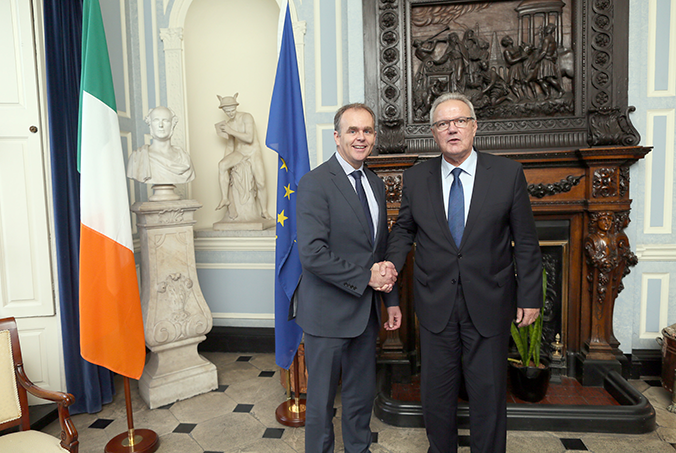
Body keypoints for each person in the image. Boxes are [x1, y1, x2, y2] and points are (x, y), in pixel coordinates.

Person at [385, 93, 542, 453]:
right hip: (435, 302)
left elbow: (527, 241)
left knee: (488, 394)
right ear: (433, 133)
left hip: (490, 301)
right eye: (443, 123)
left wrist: (530, 297)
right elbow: (404, 231)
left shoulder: (507, 173)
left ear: (474, 126)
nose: (452, 129)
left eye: (459, 121)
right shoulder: (416, 177)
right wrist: (391, 266)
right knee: (436, 396)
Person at [296, 103, 402, 453]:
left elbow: (379, 251)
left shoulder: (373, 182)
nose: (361, 137)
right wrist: (367, 278)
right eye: (353, 131)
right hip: (327, 315)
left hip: (366, 314)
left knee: (360, 399)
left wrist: (390, 300)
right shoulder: (314, 182)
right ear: (337, 136)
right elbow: (312, 254)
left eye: (367, 131)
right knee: (322, 405)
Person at [214, 93, 270, 220]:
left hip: (253, 152)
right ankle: (225, 198)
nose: (230, 113)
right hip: (239, 152)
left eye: (232, 110)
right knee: (221, 165)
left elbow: (249, 138)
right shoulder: (228, 124)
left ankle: (264, 211)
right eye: (227, 111)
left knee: (261, 183)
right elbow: (229, 146)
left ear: (236, 107)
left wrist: (230, 130)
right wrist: (227, 162)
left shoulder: (246, 117)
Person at [126, 106, 195, 184]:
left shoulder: (184, 158)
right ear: (150, 123)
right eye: (156, 120)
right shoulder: (137, 157)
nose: (161, 125)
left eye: (165, 120)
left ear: (172, 124)